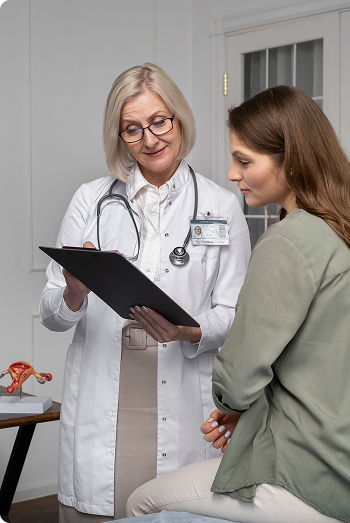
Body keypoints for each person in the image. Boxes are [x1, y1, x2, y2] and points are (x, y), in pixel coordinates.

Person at [126, 85, 350, 523]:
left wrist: (231, 406)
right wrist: (245, 415)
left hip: (311, 478)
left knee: (141, 501)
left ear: (293, 160)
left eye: (245, 161)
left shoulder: (287, 242)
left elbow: (239, 374)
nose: (232, 173)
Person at [39, 63, 251, 522]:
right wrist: (74, 292)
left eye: (159, 121)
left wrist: (190, 331)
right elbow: (52, 313)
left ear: (179, 119)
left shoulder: (221, 205)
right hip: (105, 390)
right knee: (98, 509)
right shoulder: (90, 200)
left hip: (181, 384)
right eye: (132, 129)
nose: (150, 139)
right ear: (118, 136)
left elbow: (235, 313)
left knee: (175, 510)